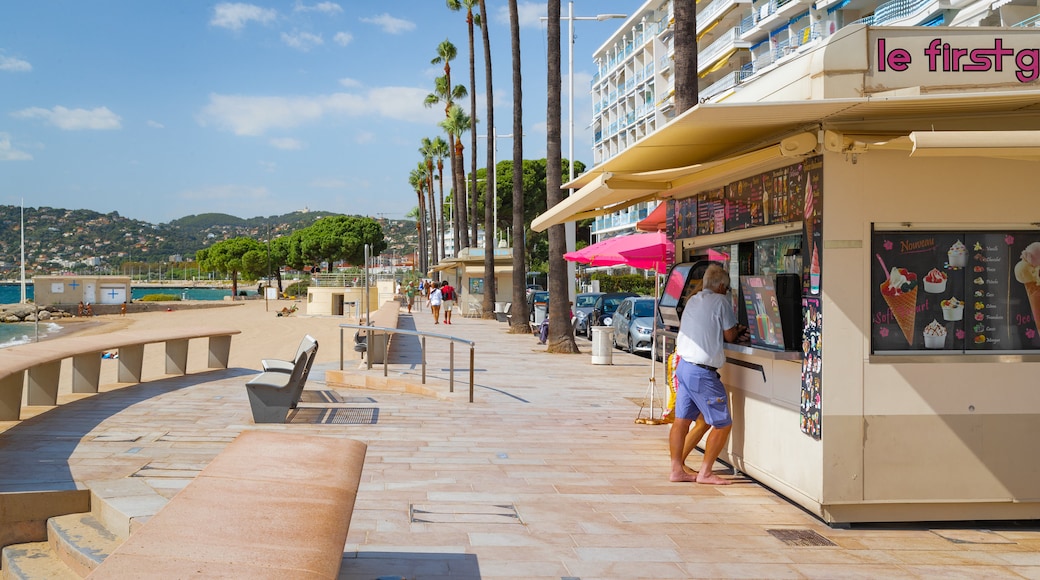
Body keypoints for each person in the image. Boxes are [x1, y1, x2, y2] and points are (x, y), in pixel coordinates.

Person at [669, 264, 746, 485]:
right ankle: (705, 473)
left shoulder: (693, 300)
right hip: (702, 373)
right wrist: (738, 329)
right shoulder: (721, 301)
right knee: (723, 423)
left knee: (683, 422)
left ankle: (676, 470)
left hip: (684, 367)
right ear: (722, 286)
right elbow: (730, 336)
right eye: (728, 288)